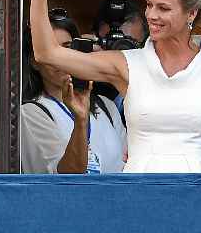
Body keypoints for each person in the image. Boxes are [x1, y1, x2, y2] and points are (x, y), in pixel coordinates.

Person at [29, 0, 201, 173]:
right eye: (149, 5)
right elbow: (47, 53)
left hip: (200, 196)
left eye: (164, 8)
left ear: (191, 13)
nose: (151, 15)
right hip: (138, 195)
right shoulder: (127, 64)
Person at [21, 11, 127, 174]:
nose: (60, 59)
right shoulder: (31, 112)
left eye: (68, 48)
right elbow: (67, 177)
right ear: (35, 62)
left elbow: (129, 167)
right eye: (50, 52)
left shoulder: (106, 106)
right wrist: (81, 120)